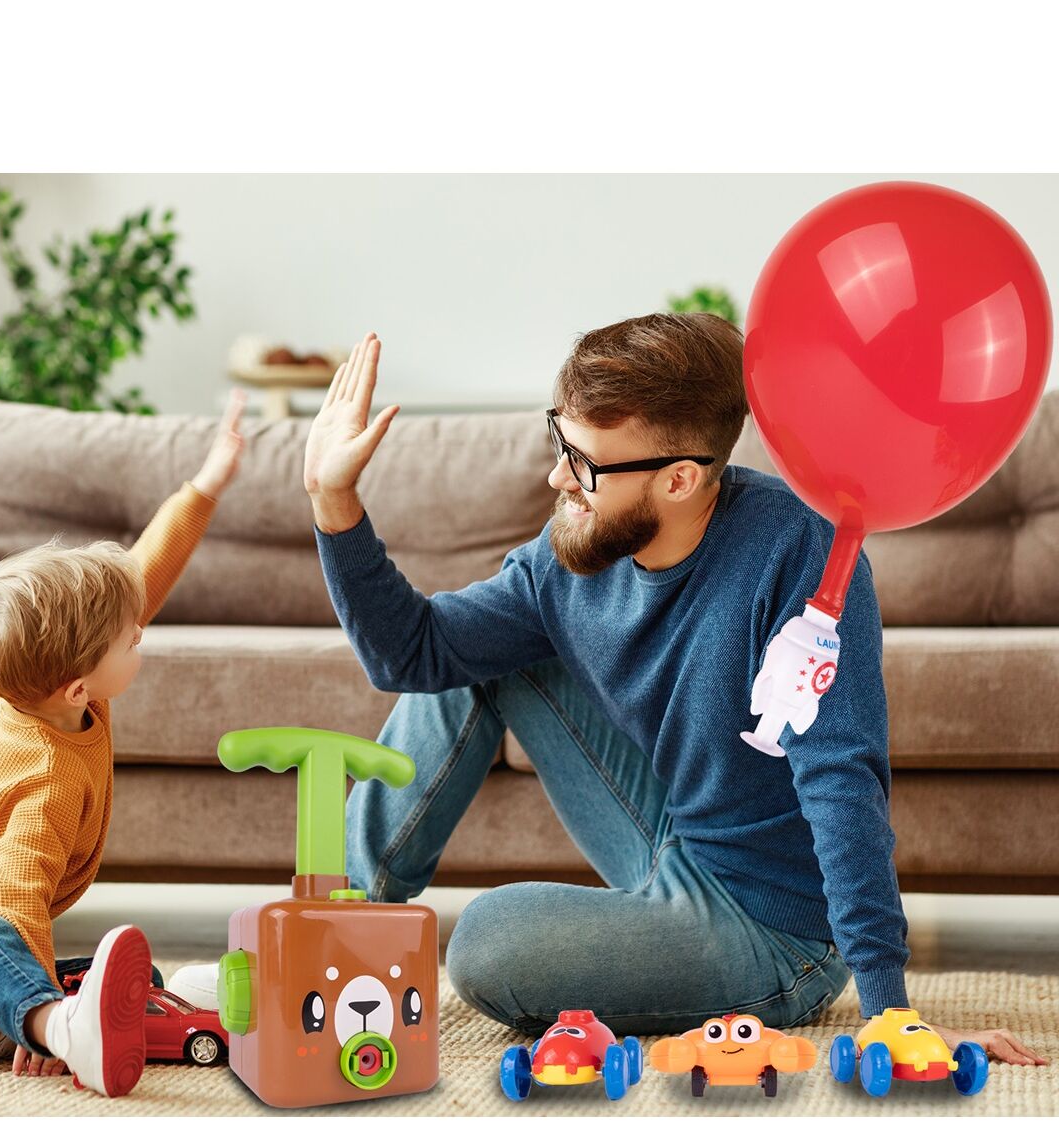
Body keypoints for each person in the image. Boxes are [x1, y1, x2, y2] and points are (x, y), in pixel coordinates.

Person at [298, 323, 1045, 1067]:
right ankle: (329, 940)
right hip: (673, 830)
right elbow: (414, 654)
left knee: (487, 942)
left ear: (680, 479)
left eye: (585, 463)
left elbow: (841, 779)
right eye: (560, 442)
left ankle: (726, 959)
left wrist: (890, 1013)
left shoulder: (798, 554)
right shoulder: (574, 555)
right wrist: (334, 502)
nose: (559, 479)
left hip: (772, 928)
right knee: (478, 661)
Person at [0, 392, 250, 1097]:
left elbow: (141, 580)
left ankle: (7, 1010)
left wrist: (205, 486)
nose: (142, 632)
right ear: (77, 687)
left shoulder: (28, 687)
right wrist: (36, 1020)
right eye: (131, 641)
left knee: (129, 976)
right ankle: (48, 1023)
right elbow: (17, 899)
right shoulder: (43, 779)